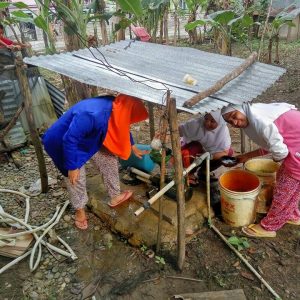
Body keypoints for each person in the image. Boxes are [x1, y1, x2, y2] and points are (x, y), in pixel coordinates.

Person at [42, 94, 149, 230]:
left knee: (108, 159)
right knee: (75, 177)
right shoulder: (91, 114)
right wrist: (73, 166)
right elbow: (69, 139)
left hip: (89, 138)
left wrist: (132, 145)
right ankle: (79, 210)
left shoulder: (117, 107)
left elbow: (123, 125)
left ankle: (115, 196)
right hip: (62, 142)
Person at [222, 102, 300, 238]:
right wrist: (246, 157)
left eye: (234, 116)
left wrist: (277, 159)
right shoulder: (257, 112)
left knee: (284, 190)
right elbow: (272, 142)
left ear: (242, 109)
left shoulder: (260, 121)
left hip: (296, 151)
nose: (235, 122)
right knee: (290, 187)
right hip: (295, 143)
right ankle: (291, 215)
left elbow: (280, 152)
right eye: (230, 122)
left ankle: (269, 227)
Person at [178, 110, 233, 184]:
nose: (207, 123)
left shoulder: (223, 131)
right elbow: (178, 130)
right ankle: (190, 173)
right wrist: (167, 135)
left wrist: (209, 156)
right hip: (193, 150)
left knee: (229, 154)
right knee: (192, 150)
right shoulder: (196, 124)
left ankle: (204, 171)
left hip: (209, 154)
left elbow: (225, 152)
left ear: (219, 122)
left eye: (212, 121)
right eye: (206, 119)